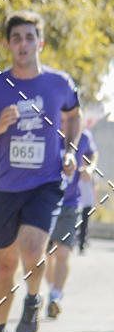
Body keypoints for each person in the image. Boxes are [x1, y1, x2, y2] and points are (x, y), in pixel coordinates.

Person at [0, 10, 81, 332]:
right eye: (16, 38)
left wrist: (69, 151)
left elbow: (73, 115)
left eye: (29, 37)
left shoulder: (59, 83)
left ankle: (32, 300)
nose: (23, 44)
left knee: (33, 249)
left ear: (40, 43)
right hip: (5, 189)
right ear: (7, 45)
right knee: (4, 267)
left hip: (45, 184)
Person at [46, 126, 98, 317]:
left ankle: (55, 297)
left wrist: (89, 168)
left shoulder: (83, 135)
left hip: (70, 203)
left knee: (63, 252)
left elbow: (93, 154)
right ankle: (51, 287)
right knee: (46, 256)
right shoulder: (49, 129)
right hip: (45, 202)